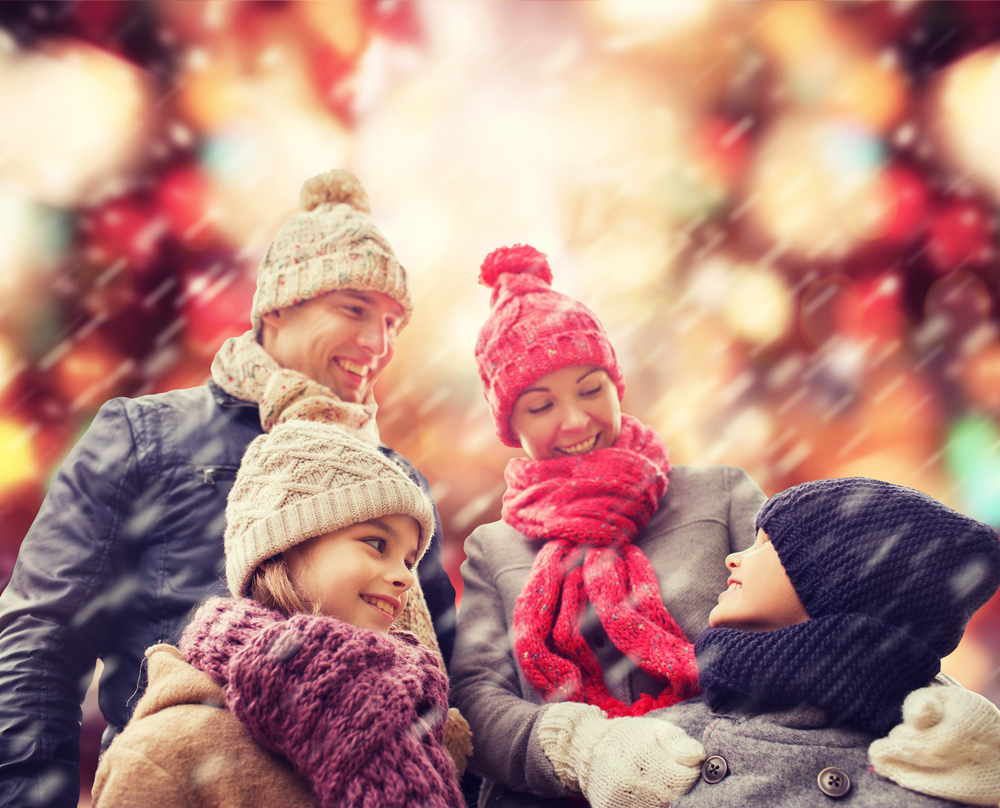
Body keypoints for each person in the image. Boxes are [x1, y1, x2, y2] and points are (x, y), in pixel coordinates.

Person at [449, 244, 1000, 808]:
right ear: (509, 424)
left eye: (591, 389)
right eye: (539, 406)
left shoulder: (718, 493)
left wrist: (935, 710)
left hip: (739, 777)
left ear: (617, 385)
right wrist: (584, 751)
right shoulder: (495, 548)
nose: (574, 420)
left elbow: (827, 610)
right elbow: (478, 699)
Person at [0, 169, 457, 808]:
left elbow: (446, 681)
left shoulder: (397, 481)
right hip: (181, 784)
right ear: (277, 306)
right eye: (353, 310)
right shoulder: (145, 436)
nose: (376, 343)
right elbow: (40, 642)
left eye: (391, 323)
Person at [538, 477, 1000, 807]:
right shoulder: (668, 744)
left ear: (837, 581)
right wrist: (588, 748)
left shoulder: (940, 755)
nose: (734, 557)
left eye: (765, 544)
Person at [92, 419, 467, 808]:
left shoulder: (414, 720)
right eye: (376, 543)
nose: (406, 578)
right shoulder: (165, 754)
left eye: (410, 560)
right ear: (283, 546)